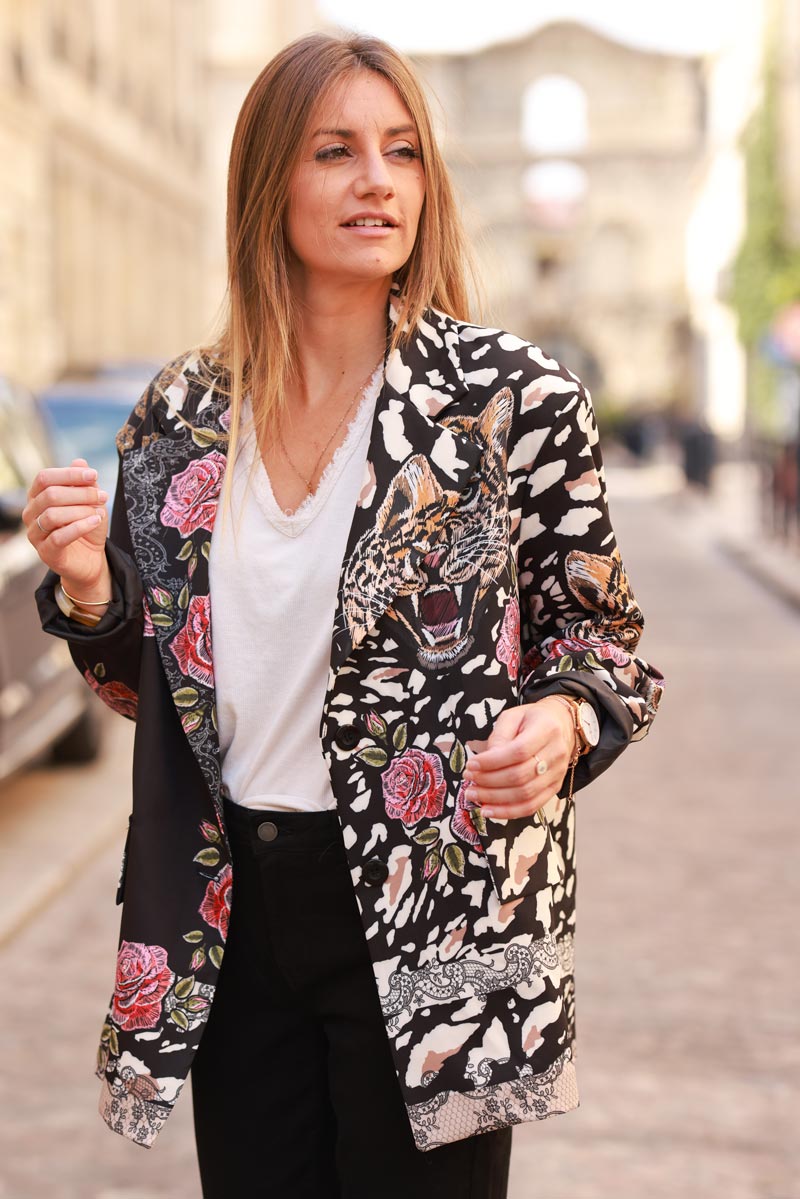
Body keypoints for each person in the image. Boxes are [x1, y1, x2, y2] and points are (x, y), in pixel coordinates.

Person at [25, 32, 665, 1199]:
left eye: (401, 150)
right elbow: (148, 696)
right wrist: (90, 589)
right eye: (336, 151)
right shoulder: (180, 411)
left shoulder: (507, 400)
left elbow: (602, 642)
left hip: (440, 909)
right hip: (235, 911)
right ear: (270, 181)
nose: (378, 180)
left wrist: (566, 721)